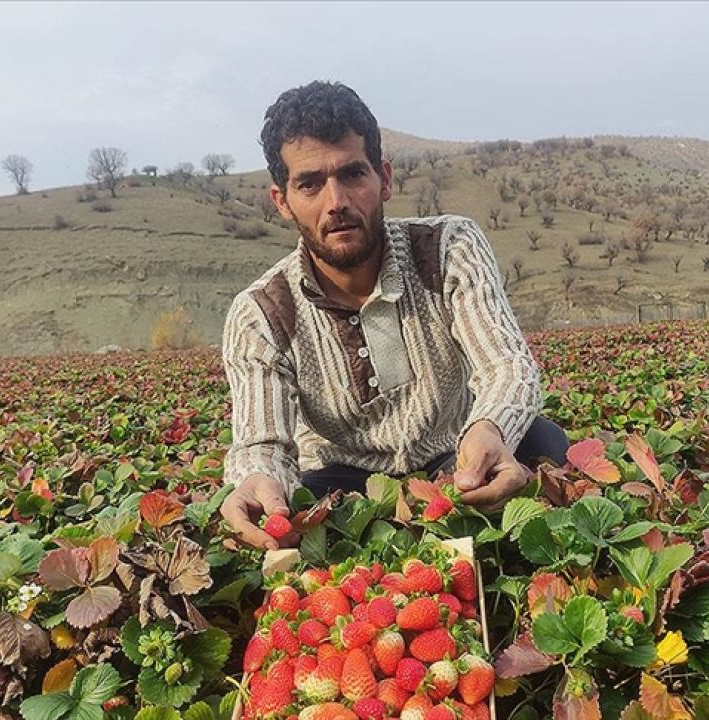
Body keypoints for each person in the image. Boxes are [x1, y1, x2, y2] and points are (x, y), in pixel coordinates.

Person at [219, 81, 568, 550]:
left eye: (352, 175)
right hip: (342, 484)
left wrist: (489, 428)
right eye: (310, 184)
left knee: (543, 446)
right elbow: (262, 444)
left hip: (457, 459)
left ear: (383, 179)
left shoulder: (448, 248)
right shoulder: (261, 313)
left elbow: (507, 367)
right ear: (281, 201)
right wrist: (259, 478)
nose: (336, 201)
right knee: (282, 514)